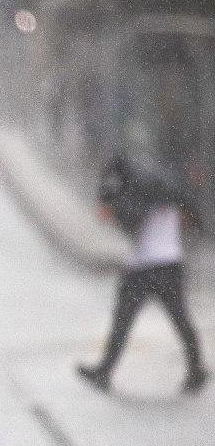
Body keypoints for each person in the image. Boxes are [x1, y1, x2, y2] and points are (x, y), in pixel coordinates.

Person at [77, 156, 207, 394]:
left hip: (144, 267)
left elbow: (121, 219)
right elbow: (190, 221)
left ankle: (105, 371)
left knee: (123, 320)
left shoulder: (136, 193)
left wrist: (113, 208)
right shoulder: (169, 191)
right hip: (169, 265)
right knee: (180, 320)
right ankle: (196, 369)